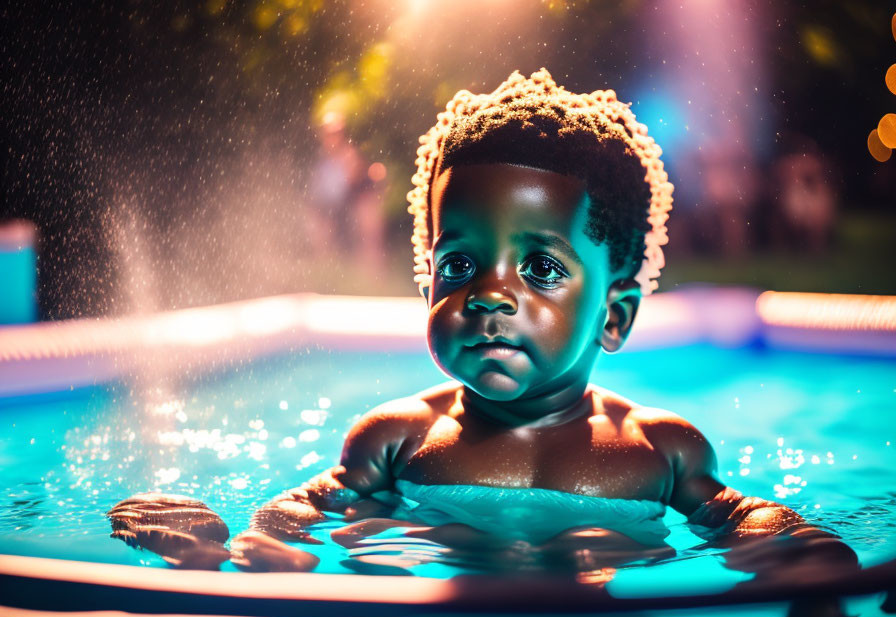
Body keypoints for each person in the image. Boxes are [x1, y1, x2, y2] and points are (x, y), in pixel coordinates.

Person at [110, 70, 857, 589]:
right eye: (460, 264)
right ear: (425, 278)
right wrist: (253, 536)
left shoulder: (658, 450)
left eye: (539, 269)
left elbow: (734, 513)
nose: (490, 297)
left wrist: (790, 541)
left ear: (616, 315)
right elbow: (311, 506)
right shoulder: (396, 439)